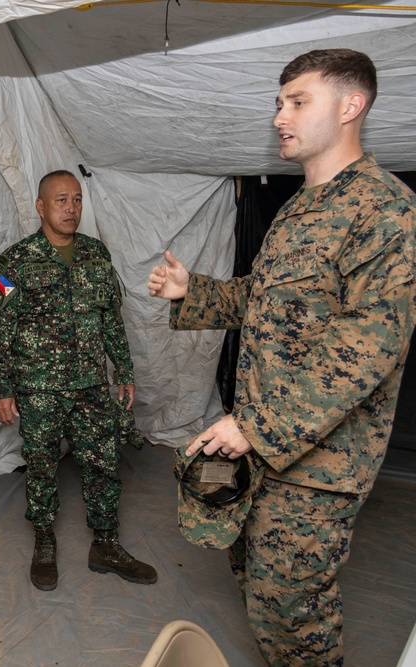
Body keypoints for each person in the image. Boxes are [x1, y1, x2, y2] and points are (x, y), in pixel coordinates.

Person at [148, 49, 416, 666]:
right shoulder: (298, 209)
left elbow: (369, 345)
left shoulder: (383, 209)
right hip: (266, 448)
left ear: (352, 106)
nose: (279, 116)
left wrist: (253, 425)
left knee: (291, 606)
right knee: (261, 589)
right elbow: (268, 301)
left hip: (319, 462)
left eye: (298, 101)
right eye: (278, 102)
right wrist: (196, 292)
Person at [0, 170, 157, 591]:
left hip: (91, 386)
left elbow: (111, 320)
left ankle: (106, 543)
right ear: (40, 207)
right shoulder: (16, 260)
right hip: (40, 388)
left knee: (103, 463)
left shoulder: (97, 254)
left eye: (77, 199)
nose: (71, 208)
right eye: (61, 200)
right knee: (41, 467)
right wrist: (1, 389)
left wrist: (125, 371)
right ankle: (44, 541)